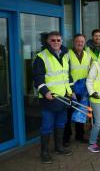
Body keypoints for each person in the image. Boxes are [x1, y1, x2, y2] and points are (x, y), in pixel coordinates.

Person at [33, 31, 73, 164]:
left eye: (58, 40)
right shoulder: (41, 57)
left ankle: (59, 147)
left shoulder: (65, 55)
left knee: (61, 123)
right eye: (53, 40)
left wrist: (70, 91)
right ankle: (44, 152)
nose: (56, 42)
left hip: (63, 97)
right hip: (49, 98)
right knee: (46, 126)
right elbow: (38, 78)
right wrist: (45, 92)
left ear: (61, 41)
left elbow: (67, 76)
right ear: (48, 42)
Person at [63, 34, 91, 147]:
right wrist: (70, 90)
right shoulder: (67, 55)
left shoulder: (88, 56)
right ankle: (66, 138)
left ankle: (80, 135)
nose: (80, 43)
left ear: (84, 43)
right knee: (68, 115)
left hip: (83, 90)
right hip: (71, 90)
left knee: (81, 112)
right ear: (74, 42)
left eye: (82, 41)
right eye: (78, 41)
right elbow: (65, 73)